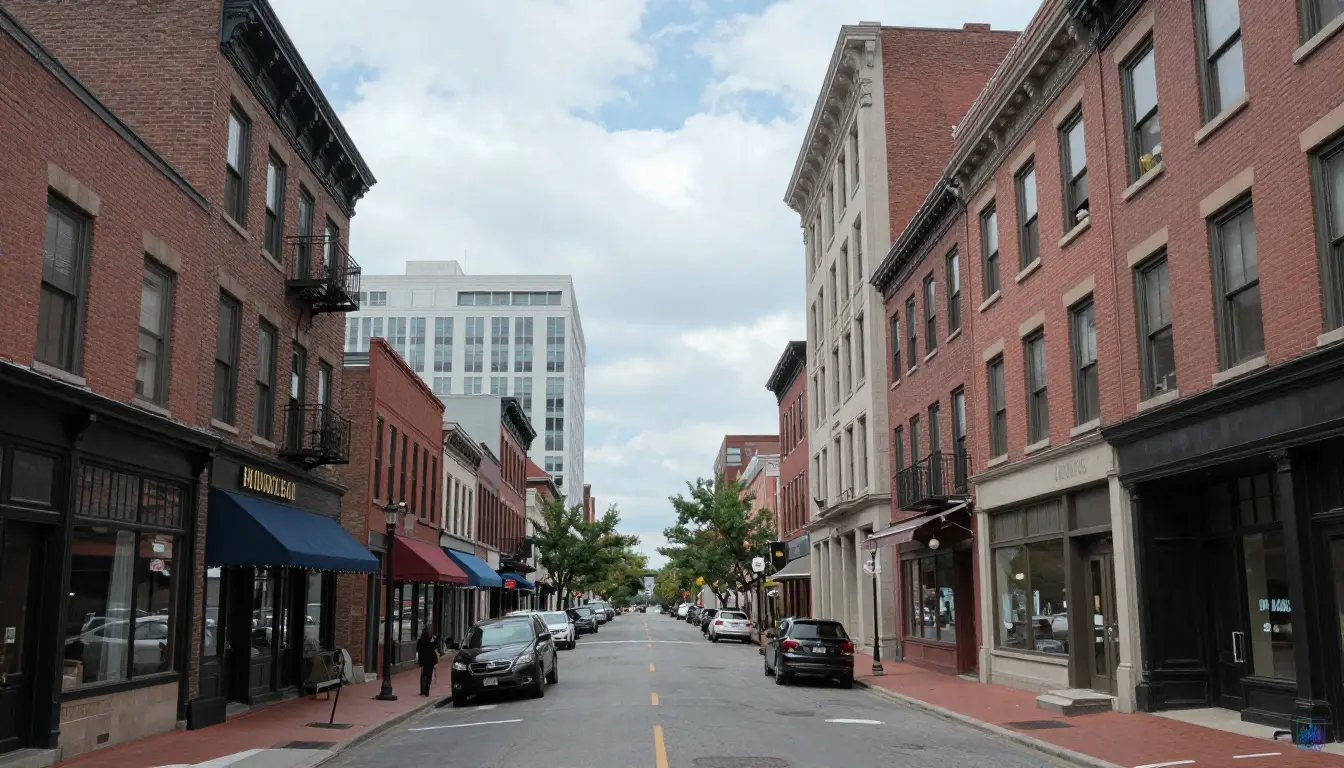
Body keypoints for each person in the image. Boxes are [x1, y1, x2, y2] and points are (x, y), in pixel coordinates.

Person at [415, 624, 439, 696]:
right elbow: (436, 647)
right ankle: (427, 689)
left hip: (423, 659)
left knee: (424, 674)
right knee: (429, 674)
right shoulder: (433, 639)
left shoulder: (420, 640)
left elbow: (417, 649)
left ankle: (423, 690)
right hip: (431, 659)